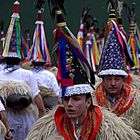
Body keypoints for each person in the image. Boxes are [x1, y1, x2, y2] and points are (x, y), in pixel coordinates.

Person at [26, 3, 140, 139]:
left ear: (88, 102)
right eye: (66, 99)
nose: (69, 104)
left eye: (75, 99)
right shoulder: (46, 129)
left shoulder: (111, 127)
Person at [0, 1, 46, 139]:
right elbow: (36, 96)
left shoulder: (26, 74)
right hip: (22, 118)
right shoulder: (28, 74)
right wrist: (43, 112)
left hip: (6, 118)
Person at [94, 4, 140, 131]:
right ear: (102, 80)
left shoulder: (136, 102)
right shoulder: (92, 101)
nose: (113, 83)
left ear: (123, 79)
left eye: (117, 79)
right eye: (109, 79)